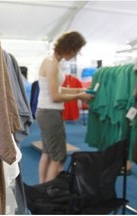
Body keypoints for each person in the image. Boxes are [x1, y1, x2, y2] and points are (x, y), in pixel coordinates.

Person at [36, 31, 94, 184]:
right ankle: (48, 193)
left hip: (47, 112)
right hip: (50, 113)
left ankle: (42, 187)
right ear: (69, 48)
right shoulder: (52, 64)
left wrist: (79, 91)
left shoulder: (53, 62)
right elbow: (55, 96)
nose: (75, 55)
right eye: (76, 50)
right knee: (58, 157)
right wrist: (80, 96)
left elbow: (58, 89)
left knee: (48, 153)